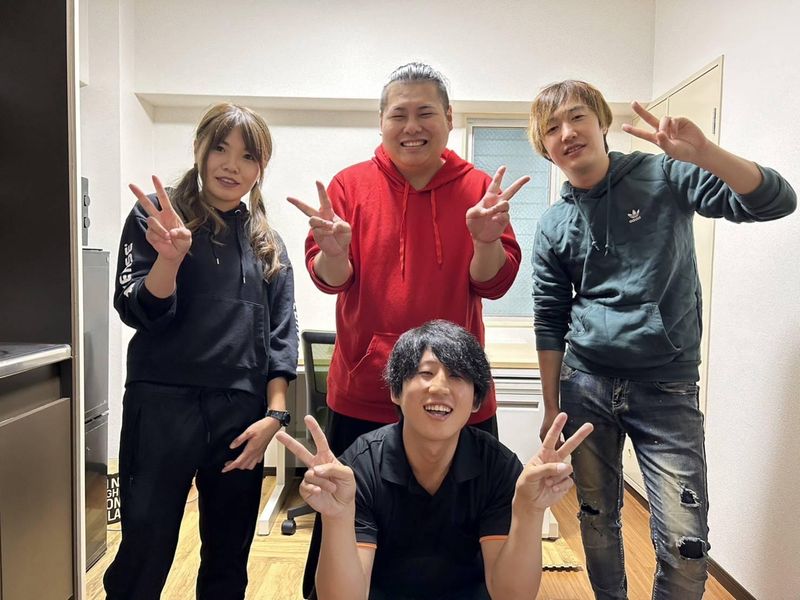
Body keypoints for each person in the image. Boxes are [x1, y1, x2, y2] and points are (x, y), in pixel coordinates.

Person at [528, 80, 796, 599]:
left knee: (685, 544)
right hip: (585, 386)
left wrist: (707, 154)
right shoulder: (554, 223)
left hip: (666, 388)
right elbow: (549, 317)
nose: (567, 133)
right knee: (596, 519)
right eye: (551, 128)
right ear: (544, 147)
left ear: (601, 122)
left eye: (577, 117)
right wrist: (551, 405)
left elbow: (775, 201)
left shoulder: (663, 176)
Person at [103, 102, 298, 600]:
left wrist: (275, 417)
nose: (232, 166)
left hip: (240, 416)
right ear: (198, 149)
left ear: (260, 168)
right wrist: (170, 259)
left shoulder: (267, 243)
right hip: (161, 405)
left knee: (229, 560)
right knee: (144, 552)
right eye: (220, 149)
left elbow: (281, 335)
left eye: (248, 156)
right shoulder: (157, 216)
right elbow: (137, 309)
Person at [288, 62, 529, 454]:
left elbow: (493, 285)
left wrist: (486, 242)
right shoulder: (349, 185)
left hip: (456, 389)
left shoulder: (479, 189)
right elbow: (332, 280)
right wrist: (333, 254)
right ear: (381, 121)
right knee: (352, 494)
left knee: (468, 494)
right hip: (366, 390)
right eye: (399, 115)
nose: (411, 127)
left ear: (448, 118)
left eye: (425, 113)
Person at [277, 320, 593, 600]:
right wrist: (337, 517)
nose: (440, 387)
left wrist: (530, 511)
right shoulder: (360, 466)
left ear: (476, 400)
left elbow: (511, 595)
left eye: (458, 376)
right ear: (396, 392)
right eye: (425, 373)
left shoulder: (496, 466)